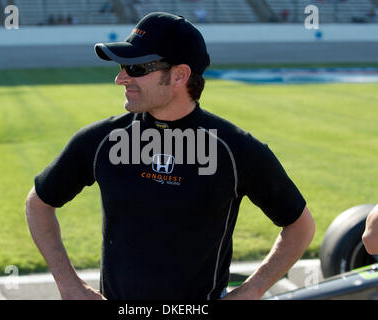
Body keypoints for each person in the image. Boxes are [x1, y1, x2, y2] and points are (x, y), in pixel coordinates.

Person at [25, 12, 315, 300]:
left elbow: (299, 225)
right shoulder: (102, 141)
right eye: (122, 67)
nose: (120, 78)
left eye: (136, 68)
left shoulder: (235, 150)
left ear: (179, 75)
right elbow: (38, 204)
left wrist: (251, 291)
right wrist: (70, 286)